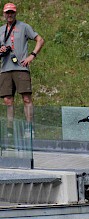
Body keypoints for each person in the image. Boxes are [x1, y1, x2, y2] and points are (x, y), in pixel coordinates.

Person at [0, 2, 44, 137]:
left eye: (12, 12)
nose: (10, 14)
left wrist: (32, 55)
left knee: (26, 98)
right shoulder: (1, 30)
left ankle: (29, 128)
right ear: (3, 14)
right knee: (7, 100)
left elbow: (40, 40)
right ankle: (9, 130)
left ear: (15, 13)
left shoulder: (24, 27)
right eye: (7, 12)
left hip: (21, 67)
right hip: (5, 68)